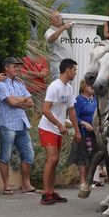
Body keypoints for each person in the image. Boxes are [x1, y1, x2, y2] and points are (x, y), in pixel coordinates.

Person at [38, 58, 82, 205]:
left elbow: (72, 111)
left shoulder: (68, 88)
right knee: (52, 159)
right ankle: (45, 194)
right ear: (68, 69)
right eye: (74, 70)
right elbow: (45, 109)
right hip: (48, 127)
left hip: (58, 129)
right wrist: (59, 124)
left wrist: (77, 131)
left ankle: (51, 191)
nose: (75, 73)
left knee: (55, 161)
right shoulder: (54, 86)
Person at [0, 57, 38, 195]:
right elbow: (10, 102)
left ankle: (26, 185)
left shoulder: (20, 83)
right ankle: (6, 186)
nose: (18, 69)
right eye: (15, 66)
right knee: (5, 156)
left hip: (22, 123)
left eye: (19, 66)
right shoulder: (0, 84)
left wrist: (18, 101)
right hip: (7, 124)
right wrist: (20, 101)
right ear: (6, 68)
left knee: (28, 155)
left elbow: (30, 103)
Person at [69, 80, 97, 193]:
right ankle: (82, 181)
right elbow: (75, 116)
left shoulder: (95, 99)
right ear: (84, 86)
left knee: (92, 156)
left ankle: (89, 180)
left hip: (95, 132)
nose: (92, 87)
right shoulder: (79, 100)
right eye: (90, 85)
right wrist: (84, 124)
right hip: (83, 132)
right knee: (82, 155)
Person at [45, 10, 73, 81]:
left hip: (68, 66)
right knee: (59, 89)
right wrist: (63, 28)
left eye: (59, 16)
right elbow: (51, 39)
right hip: (58, 67)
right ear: (51, 20)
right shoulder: (48, 32)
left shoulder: (64, 31)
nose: (59, 18)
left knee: (67, 89)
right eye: (56, 17)